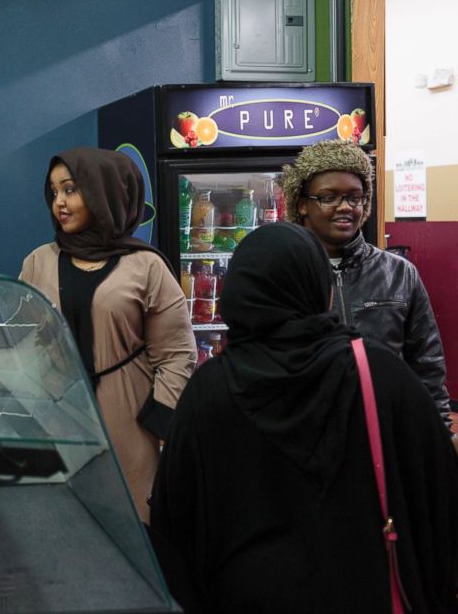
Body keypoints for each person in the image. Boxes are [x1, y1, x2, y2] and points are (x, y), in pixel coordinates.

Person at [149, 222, 458, 614]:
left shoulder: (207, 392)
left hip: (241, 595)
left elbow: (174, 527)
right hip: (368, 590)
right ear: (318, 286)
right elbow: (438, 500)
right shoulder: (382, 377)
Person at [0, 147, 195, 523]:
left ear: (104, 192)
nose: (58, 203)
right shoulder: (39, 260)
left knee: (131, 526)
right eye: (54, 192)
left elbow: (176, 353)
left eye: (70, 190)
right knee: (65, 526)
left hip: (127, 419)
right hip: (55, 416)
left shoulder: (147, 267)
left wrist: (159, 420)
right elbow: (26, 331)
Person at [281, 139, 450, 422]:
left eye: (354, 197)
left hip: (387, 428)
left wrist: (440, 436)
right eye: (328, 197)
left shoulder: (399, 274)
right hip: (310, 434)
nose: (344, 206)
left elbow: (428, 367)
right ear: (302, 205)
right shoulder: (283, 274)